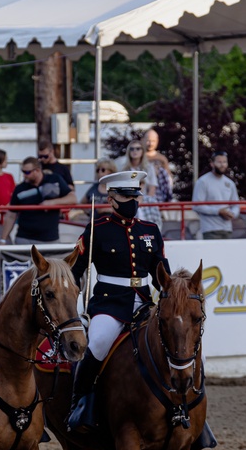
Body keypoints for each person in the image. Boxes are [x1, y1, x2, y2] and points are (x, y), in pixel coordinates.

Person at [66, 170, 169, 434]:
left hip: (145, 301)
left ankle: (185, 408)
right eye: (125, 196)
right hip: (110, 304)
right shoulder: (96, 229)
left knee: (176, 340)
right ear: (111, 199)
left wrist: (170, 297)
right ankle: (81, 403)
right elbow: (75, 272)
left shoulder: (150, 230)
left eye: (135, 195)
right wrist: (73, 303)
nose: (132, 201)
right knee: (98, 342)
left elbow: (161, 274)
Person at [0, 156, 74, 245]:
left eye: (27, 172)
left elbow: (73, 198)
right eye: (23, 172)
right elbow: (11, 215)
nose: (24, 175)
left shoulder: (55, 180)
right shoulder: (19, 189)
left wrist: (52, 202)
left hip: (50, 240)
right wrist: (3, 239)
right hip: (24, 239)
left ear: (38, 170)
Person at [192, 151, 240, 239]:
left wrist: (232, 214)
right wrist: (218, 211)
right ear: (212, 164)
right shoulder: (203, 182)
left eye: (224, 162)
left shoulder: (230, 183)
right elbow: (196, 205)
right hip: (210, 229)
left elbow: (236, 205)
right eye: (219, 162)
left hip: (227, 229)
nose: (222, 165)